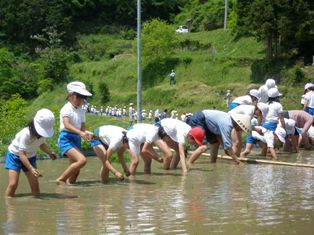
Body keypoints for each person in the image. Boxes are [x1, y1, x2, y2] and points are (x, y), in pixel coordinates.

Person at [4, 109, 56, 197]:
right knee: (13, 184)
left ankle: (36, 204)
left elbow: (41, 144)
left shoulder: (41, 135)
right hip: (15, 156)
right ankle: (9, 203)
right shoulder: (26, 134)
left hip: (30, 157)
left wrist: (49, 152)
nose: (41, 135)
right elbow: (22, 154)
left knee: (35, 185)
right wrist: (31, 169)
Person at [56, 81, 93, 185]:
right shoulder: (66, 108)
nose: (82, 100)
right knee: (82, 161)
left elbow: (83, 128)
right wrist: (80, 133)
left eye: (83, 97)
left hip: (76, 139)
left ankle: (70, 187)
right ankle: (61, 179)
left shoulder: (81, 111)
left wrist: (87, 134)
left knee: (76, 171)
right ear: (71, 96)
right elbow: (66, 125)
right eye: (79, 97)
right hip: (66, 138)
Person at [186, 110, 251, 165]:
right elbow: (228, 146)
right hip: (200, 119)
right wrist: (238, 162)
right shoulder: (227, 124)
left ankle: (213, 164)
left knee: (215, 144)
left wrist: (230, 154)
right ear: (239, 124)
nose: (241, 130)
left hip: (208, 124)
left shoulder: (228, 122)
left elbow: (221, 139)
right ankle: (189, 163)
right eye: (242, 128)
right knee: (203, 147)